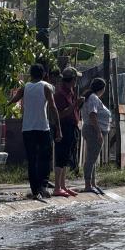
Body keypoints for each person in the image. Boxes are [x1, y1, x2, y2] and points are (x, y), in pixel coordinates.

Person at [9, 64, 61, 200]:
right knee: (45, 158)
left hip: (27, 128)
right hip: (42, 127)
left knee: (32, 159)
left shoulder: (25, 87)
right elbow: (53, 107)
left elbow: (15, 99)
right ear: (43, 74)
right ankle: (43, 186)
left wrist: (7, 104)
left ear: (30, 74)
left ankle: (35, 189)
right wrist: (58, 129)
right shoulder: (45, 86)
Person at [52, 66, 81, 197]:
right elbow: (61, 114)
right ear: (72, 80)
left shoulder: (71, 92)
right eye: (75, 80)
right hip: (63, 127)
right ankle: (57, 187)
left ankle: (63, 185)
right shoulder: (59, 94)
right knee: (61, 156)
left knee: (66, 158)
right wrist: (75, 104)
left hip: (72, 127)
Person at [81, 77, 112, 194]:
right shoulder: (93, 98)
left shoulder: (92, 97)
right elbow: (92, 115)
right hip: (93, 130)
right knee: (90, 158)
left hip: (91, 129)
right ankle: (88, 184)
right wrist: (98, 132)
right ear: (102, 88)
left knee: (92, 158)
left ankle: (92, 183)